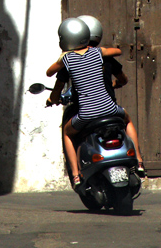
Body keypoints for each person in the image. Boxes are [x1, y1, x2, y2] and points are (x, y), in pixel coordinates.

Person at [46, 17, 144, 193]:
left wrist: (62, 58)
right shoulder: (98, 53)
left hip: (87, 115)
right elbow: (118, 51)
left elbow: (49, 73)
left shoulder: (67, 60)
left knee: (67, 133)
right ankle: (139, 160)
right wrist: (101, 50)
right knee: (127, 120)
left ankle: (76, 174)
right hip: (110, 109)